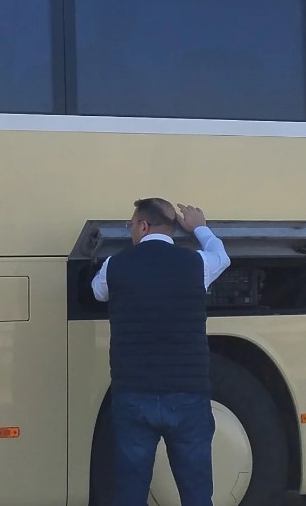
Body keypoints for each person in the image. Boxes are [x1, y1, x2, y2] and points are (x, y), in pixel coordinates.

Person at [91, 197, 230, 506]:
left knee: (129, 492)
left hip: (134, 396)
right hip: (188, 396)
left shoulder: (116, 265)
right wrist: (200, 229)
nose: (130, 231)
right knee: (196, 494)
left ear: (143, 225)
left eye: (130, 225)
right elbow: (222, 257)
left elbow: (97, 291)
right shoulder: (196, 264)